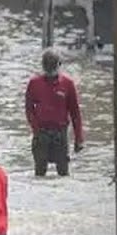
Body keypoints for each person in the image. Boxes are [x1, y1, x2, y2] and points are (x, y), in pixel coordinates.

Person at [25, 47, 84, 177]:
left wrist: (79, 138)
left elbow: (75, 113)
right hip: (41, 134)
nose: (49, 69)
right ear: (42, 65)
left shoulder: (68, 84)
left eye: (52, 65)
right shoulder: (34, 83)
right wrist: (36, 129)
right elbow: (29, 109)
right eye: (46, 65)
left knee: (63, 172)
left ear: (59, 65)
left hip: (60, 134)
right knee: (39, 173)